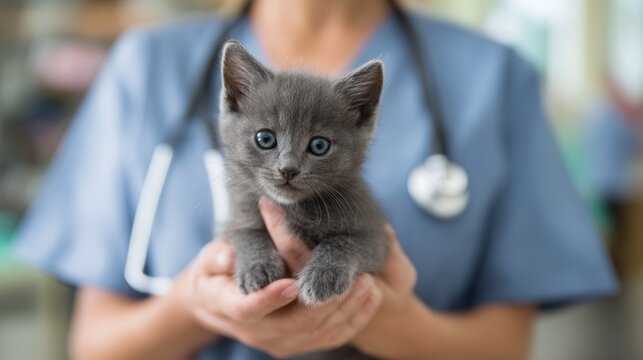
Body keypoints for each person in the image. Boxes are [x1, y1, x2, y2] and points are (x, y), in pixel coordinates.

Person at [13, 0, 617, 359]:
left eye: (317, 147)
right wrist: (197, 306)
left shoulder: (493, 76)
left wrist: (393, 324)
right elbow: (92, 345)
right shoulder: (147, 65)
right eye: (269, 144)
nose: (287, 167)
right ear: (234, 102)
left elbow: (507, 348)